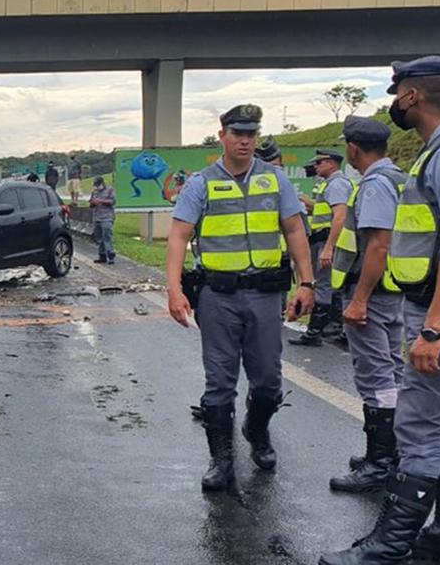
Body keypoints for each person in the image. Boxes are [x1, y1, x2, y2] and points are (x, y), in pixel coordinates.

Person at [320, 56, 440, 565]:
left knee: (417, 425)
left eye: (397, 92)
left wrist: (434, 331)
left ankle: (389, 547)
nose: (394, 102)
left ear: (413, 95)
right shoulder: (438, 151)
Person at [166, 104, 315, 493]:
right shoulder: (201, 184)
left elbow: (295, 230)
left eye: (252, 133)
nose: (246, 140)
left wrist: (307, 282)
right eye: (237, 133)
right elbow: (179, 235)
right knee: (219, 383)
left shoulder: (276, 180)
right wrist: (174, 289)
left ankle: (257, 429)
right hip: (218, 297)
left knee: (267, 381)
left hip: (266, 295)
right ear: (223, 136)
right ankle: (221, 460)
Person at [323, 116, 409, 495]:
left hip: (372, 293)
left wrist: (359, 300)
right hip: (395, 291)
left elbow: (378, 244)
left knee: (376, 377)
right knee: (394, 371)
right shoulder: (400, 178)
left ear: (353, 148)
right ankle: (396, 452)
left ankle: (380, 463)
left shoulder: (374, 185)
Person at [291, 149, 354, 347]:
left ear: (331, 163)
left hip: (328, 240)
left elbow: (340, 216)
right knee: (328, 284)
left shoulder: (337, 184)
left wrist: (329, 247)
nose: (316, 167)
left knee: (326, 284)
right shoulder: (331, 184)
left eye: (319, 163)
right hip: (323, 239)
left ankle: (316, 331)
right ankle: (329, 328)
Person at [89, 176, 116, 264]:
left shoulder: (110, 190)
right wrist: (92, 202)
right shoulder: (94, 191)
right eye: (95, 185)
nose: (97, 187)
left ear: (102, 183)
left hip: (107, 217)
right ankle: (102, 255)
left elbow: (112, 201)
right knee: (99, 237)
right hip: (97, 217)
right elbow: (91, 204)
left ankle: (111, 255)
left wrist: (101, 201)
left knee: (107, 236)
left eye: (98, 185)